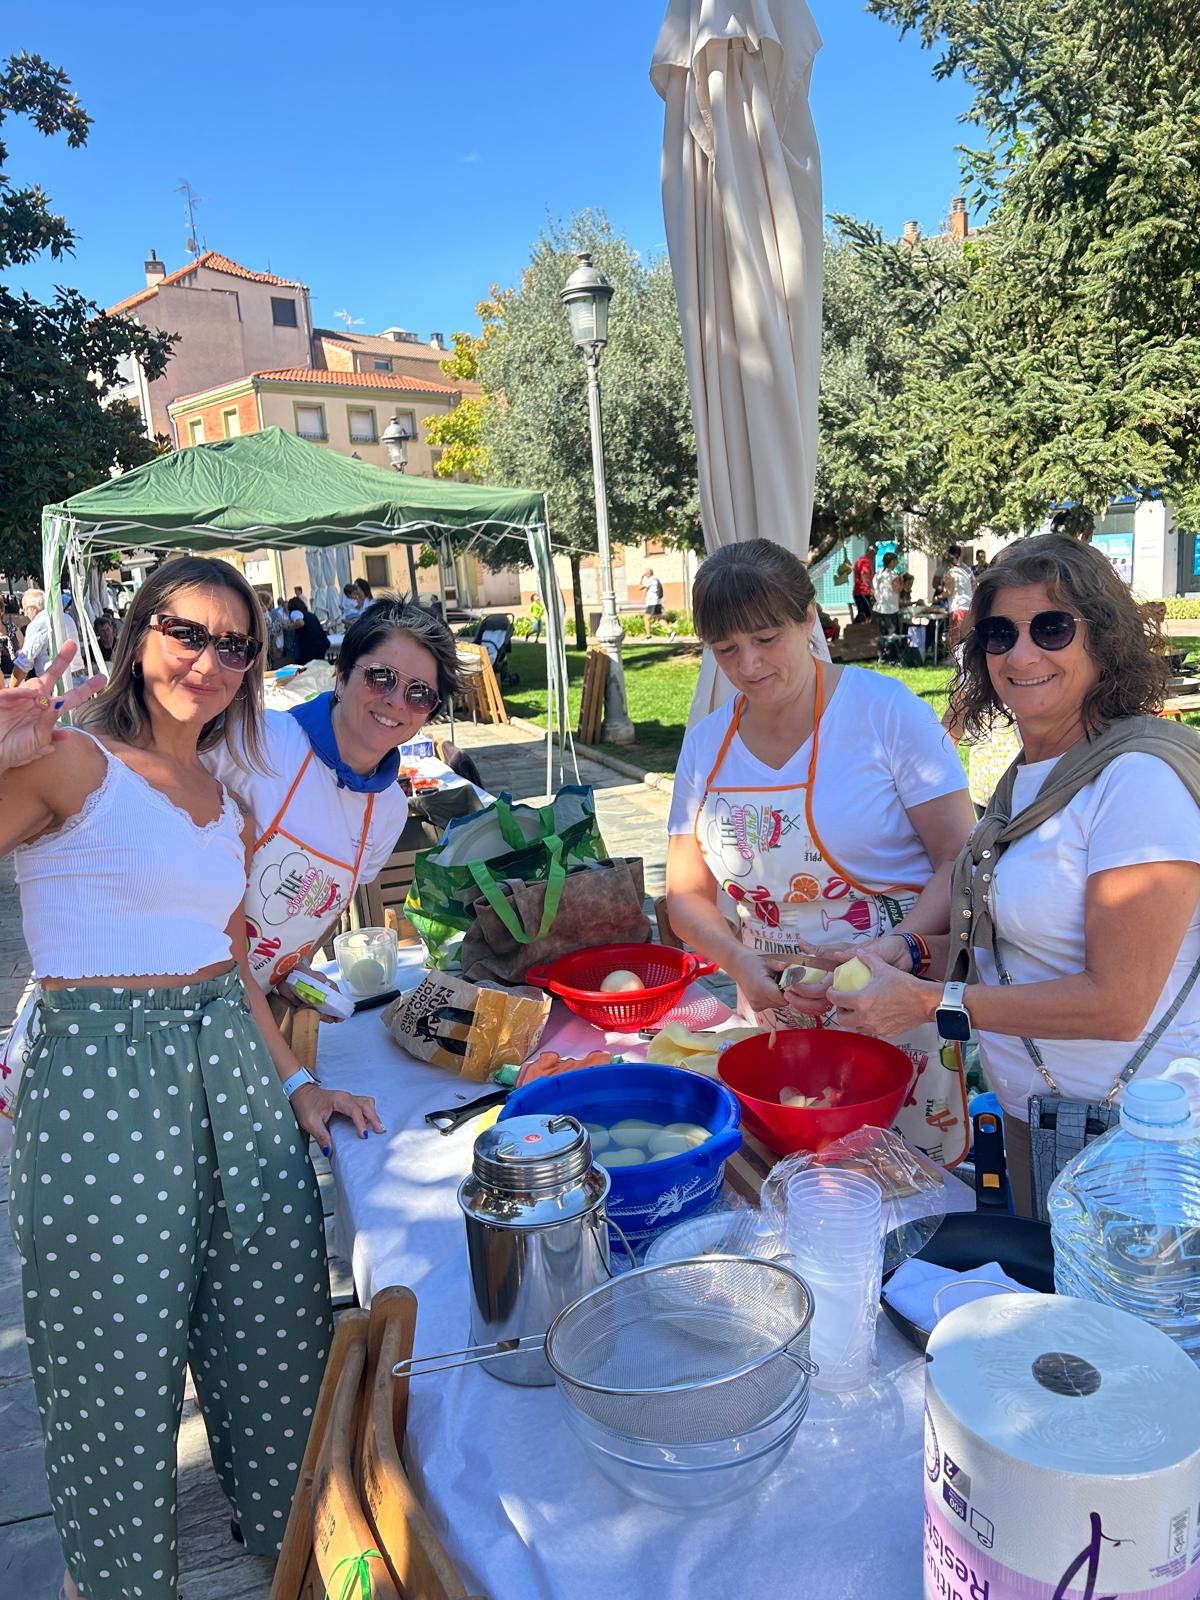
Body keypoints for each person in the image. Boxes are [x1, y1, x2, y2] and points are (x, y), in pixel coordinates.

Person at [1, 556, 382, 1600]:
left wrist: (299, 1089)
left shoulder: (225, 799)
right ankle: (119, 1579)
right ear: (139, 636)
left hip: (226, 1052)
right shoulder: (74, 762)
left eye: (235, 644)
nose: (210, 660)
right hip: (102, 1073)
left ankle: (291, 1525)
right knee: (114, 1351)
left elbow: (233, 963)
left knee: (273, 1307)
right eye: (187, 632)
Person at [828, 535, 1200, 1216]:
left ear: (1104, 640)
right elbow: (1018, 954)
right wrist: (906, 954)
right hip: (1049, 1124)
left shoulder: (1137, 781)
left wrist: (927, 1003)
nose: (1022, 654)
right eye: (1000, 633)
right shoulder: (1032, 779)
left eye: (1051, 628)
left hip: (1142, 1151)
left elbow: (1118, 1003)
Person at [665, 539, 976, 1164]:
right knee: (798, 1174)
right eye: (726, 649)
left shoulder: (883, 713)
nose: (749, 664)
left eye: (766, 638)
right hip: (779, 1003)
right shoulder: (706, 747)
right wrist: (737, 961)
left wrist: (893, 951)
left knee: (900, 1186)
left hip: (895, 997)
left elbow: (959, 858)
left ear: (810, 617)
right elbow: (685, 894)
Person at [202, 597, 460, 999]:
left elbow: (311, 909)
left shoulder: (389, 810)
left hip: (255, 1009)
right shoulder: (255, 739)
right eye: (381, 677)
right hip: (177, 995)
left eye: (419, 694)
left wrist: (290, 969)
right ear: (340, 676)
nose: (396, 701)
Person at [9, 588, 79, 685]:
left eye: (24, 610)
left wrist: (11, 689)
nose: (25, 615)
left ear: (32, 608)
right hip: (77, 678)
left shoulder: (39, 622)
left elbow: (24, 662)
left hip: (56, 684)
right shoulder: (67, 618)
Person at [287, 595, 331, 664]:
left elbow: (300, 623)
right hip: (322, 643)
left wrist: (289, 627)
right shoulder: (310, 614)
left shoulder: (295, 612)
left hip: (309, 646)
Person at [945, 544, 976, 644]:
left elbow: (949, 591)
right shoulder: (966, 569)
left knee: (955, 639)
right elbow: (974, 583)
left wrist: (937, 598)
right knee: (967, 638)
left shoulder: (950, 572)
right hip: (969, 606)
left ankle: (955, 659)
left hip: (957, 607)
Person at [872, 551, 902, 638]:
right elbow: (897, 589)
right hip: (890, 609)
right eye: (896, 561)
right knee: (892, 635)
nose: (897, 563)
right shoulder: (893, 575)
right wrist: (902, 582)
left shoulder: (878, 574)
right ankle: (891, 651)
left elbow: (874, 588)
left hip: (879, 608)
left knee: (882, 635)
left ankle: (882, 650)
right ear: (892, 561)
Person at [852, 543, 877, 623]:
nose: (874, 556)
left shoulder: (860, 561)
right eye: (873, 554)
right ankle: (862, 632)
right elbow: (865, 576)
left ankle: (859, 631)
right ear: (869, 552)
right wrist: (871, 589)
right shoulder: (865, 562)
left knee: (862, 614)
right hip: (863, 591)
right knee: (867, 614)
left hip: (858, 592)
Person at [641, 569, 664, 637]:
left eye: (645, 573)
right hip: (658, 602)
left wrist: (641, 578)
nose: (645, 574)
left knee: (646, 618)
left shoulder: (650, 580)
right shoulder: (656, 579)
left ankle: (648, 636)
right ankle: (670, 632)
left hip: (652, 603)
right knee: (659, 618)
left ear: (648, 573)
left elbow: (639, 587)